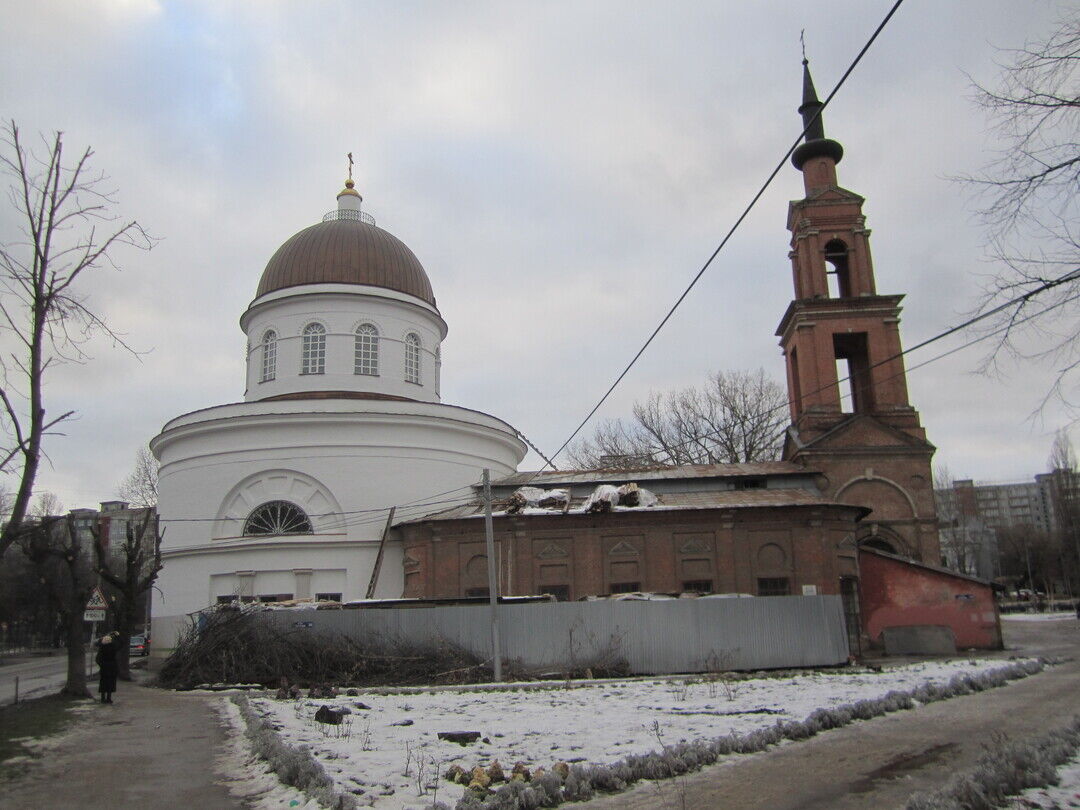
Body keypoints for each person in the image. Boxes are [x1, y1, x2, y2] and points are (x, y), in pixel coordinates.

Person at [95, 633, 119, 704]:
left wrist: (101, 665)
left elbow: (97, 659)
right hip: (112, 667)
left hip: (104, 668)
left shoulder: (102, 648)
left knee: (103, 682)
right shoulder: (113, 647)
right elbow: (120, 644)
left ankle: (103, 698)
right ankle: (109, 698)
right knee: (111, 683)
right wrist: (117, 636)